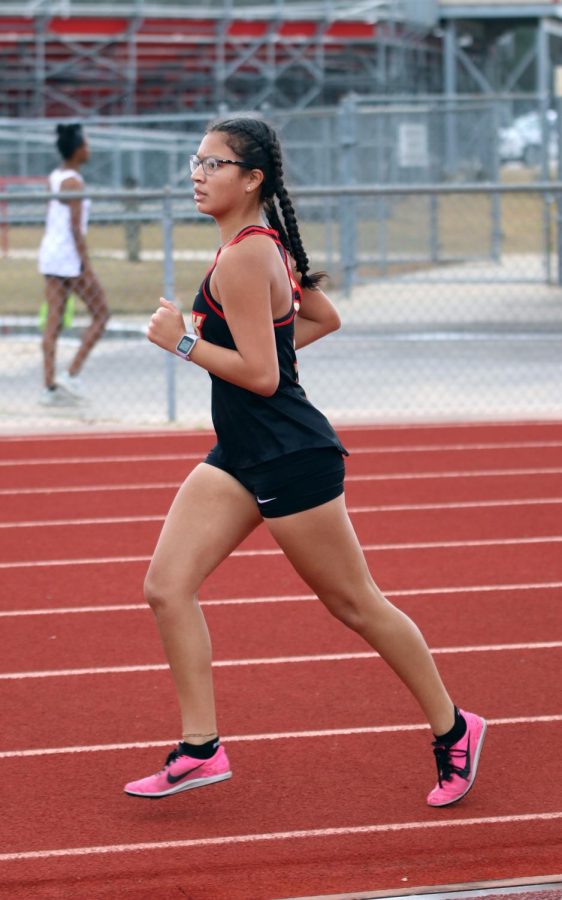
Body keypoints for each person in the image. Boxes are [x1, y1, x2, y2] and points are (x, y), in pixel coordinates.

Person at [124, 116, 486, 807]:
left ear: (252, 177)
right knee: (167, 586)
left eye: (214, 164)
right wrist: (241, 352)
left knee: (355, 604)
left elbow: (261, 376)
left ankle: (454, 728)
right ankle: (201, 749)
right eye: (195, 163)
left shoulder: (245, 256)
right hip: (242, 454)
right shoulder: (261, 247)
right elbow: (321, 319)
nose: (198, 176)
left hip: (290, 456)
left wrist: (180, 343)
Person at [38, 123, 110, 406]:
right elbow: (75, 227)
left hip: (51, 255)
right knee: (101, 313)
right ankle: (70, 373)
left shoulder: (55, 177)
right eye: (87, 145)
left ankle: (49, 387)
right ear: (78, 150)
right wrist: (86, 265)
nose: (89, 150)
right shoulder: (74, 183)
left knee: (53, 322)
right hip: (69, 258)